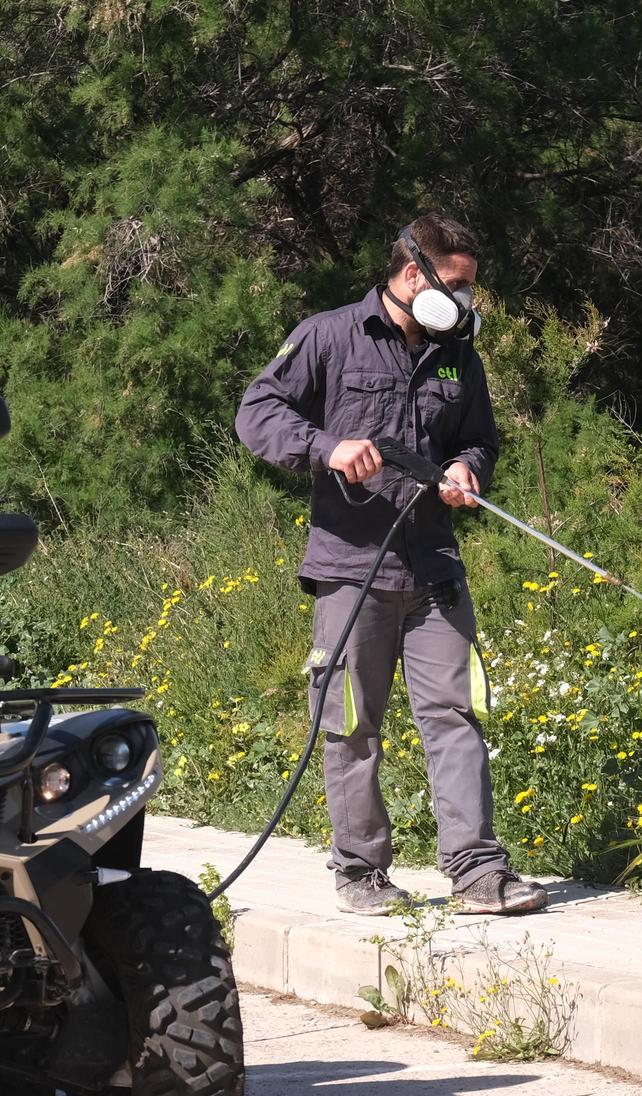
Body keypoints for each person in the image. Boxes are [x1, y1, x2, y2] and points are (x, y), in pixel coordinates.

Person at [234, 213, 546, 917]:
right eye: (458, 286)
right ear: (415, 275)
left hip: (434, 565)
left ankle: (477, 873)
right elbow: (257, 411)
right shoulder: (329, 335)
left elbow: (481, 439)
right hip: (353, 568)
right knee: (350, 724)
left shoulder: (458, 353)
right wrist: (325, 448)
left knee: (457, 715)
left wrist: (468, 467)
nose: (467, 302)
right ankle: (361, 873)